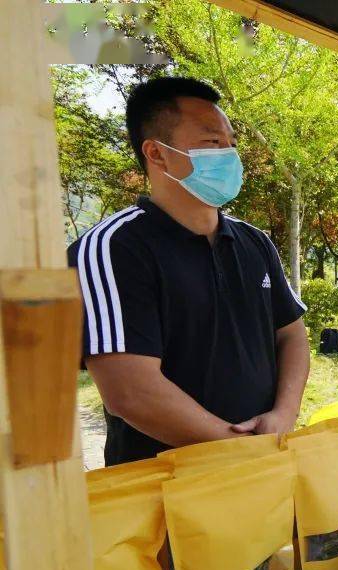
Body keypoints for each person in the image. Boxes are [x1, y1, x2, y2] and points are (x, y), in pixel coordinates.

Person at [67, 77, 309, 466]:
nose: (229, 155)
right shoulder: (112, 248)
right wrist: (236, 447)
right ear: (157, 154)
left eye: (231, 143)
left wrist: (284, 415)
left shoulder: (255, 243)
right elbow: (130, 391)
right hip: (166, 486)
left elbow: (291, 333)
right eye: (213, 143)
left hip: (264, 469)